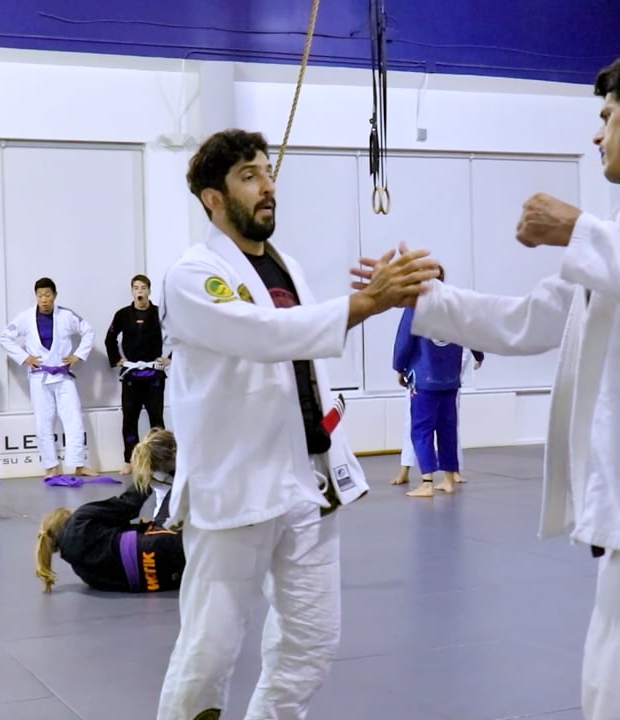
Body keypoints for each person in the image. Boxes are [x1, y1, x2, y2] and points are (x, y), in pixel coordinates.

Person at [366, 49, 620, 719]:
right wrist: (426, 299)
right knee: (612, 686)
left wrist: (577, 229)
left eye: (606, 116)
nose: (596, 134)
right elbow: (533, 319)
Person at [154, 129, 436, 720]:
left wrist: (373, 296)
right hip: (236, 487)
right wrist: (367, 303)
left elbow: (303, 346)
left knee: (310, 644)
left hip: (307, 481)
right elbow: (263, 335)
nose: (267, 185)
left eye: (267, 171)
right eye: (249, 176)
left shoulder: (288, 269)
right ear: (213, 198)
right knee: (209, 650)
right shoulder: (193, 275)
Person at [35, 428, 184, 593]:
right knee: (183, 483)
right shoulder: (79, 520)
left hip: (165, 580)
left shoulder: (84, 573)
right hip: (163, 545)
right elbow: (128, 506)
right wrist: (145, 475)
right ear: (65, 518)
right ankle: (181, 467)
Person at [390, 266, 483, 497]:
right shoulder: (455, 304)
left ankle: (427, 482)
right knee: (448, 429)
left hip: (424, 379)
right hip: (450, 378)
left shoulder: (416, 305)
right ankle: (449, 479)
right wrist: (479, 355)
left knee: (421, 430)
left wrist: (399, 367)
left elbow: (405, 339)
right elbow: (471, 330)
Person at [0, 277, 96, 477]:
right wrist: (25, 357)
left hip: (63, 375)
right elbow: (4, 337)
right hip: (39, 376)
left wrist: (78, 355)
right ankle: (51, 466)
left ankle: (78, 465)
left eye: (47, 295)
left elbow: (88, 331)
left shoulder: (66, 316)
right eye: (40, 295)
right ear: (36, 296)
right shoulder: (26, 318)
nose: (44, 299)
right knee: (43, 422)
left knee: (74, 419)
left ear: (55, 295)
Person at [391, 346, 482, 488]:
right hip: (429, 366)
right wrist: (399, 366)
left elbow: (470, 332)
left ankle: (449, 472)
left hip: (446, 366)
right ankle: (407, 467)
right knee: (421, 422)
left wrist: (399, 367)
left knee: (446, 423)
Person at [105, 274, 169, 475]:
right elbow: (110, 338)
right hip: (131, 375)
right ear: (132, 291)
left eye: (143, 288)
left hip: (154, 375)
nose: (139, 291)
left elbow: (178, 334)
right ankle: (129, 460)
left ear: (149, 290)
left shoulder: (159, 313)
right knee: (129, 419)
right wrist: (117, 359)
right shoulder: (123, 315)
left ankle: (160, 461)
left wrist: (170, 358)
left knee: (156, 420)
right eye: (136, 288)